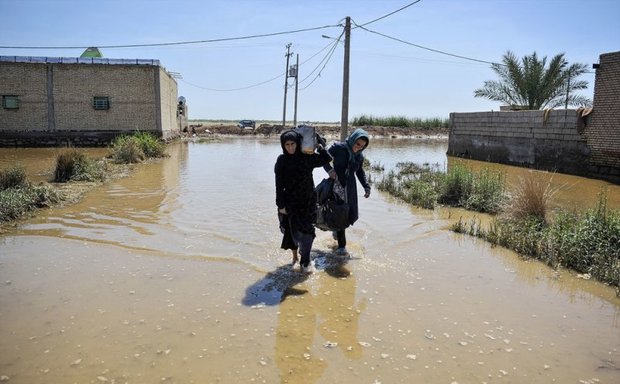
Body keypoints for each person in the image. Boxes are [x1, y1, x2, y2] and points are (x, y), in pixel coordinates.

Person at [275, 130, 331, 273]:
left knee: (307, 233)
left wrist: (319, 144)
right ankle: (295, 257)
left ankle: (305, 262)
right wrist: (281, 206)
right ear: (283, 145)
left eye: (293, 144)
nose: (290, 148)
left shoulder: (307, 158)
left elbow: (326, 159)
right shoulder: (281, 161)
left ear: (298, 143)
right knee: (292, 233)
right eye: (287, 144)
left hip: (308, 202)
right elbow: (279, 185)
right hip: (290, 203)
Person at [323, 128, 371, 255]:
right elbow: (323, 158)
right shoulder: (338, 147)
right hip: (336, 185)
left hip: (350, 187)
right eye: (357, 143)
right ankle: (342, 247)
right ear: (353, 139)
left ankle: (336, 232)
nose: (358, 147)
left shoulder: (359, 156)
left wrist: (366, 186)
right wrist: (329, 170)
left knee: (348, 213)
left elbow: (360, 171)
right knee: (340, 213)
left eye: (362, 146)